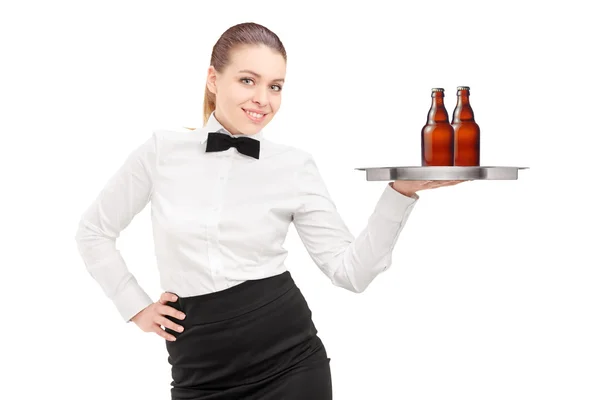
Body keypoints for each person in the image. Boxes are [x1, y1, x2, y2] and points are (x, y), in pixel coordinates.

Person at [74, 21, 465, 400]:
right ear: (214, 79)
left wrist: (399, 193)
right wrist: (135, 306)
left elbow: (351, 274)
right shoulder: (161, 151)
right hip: (198, 370)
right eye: (248, 80)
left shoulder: (294, 166)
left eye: (275, 86)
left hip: (290, 362)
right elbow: (93, 231)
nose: (263, 98)